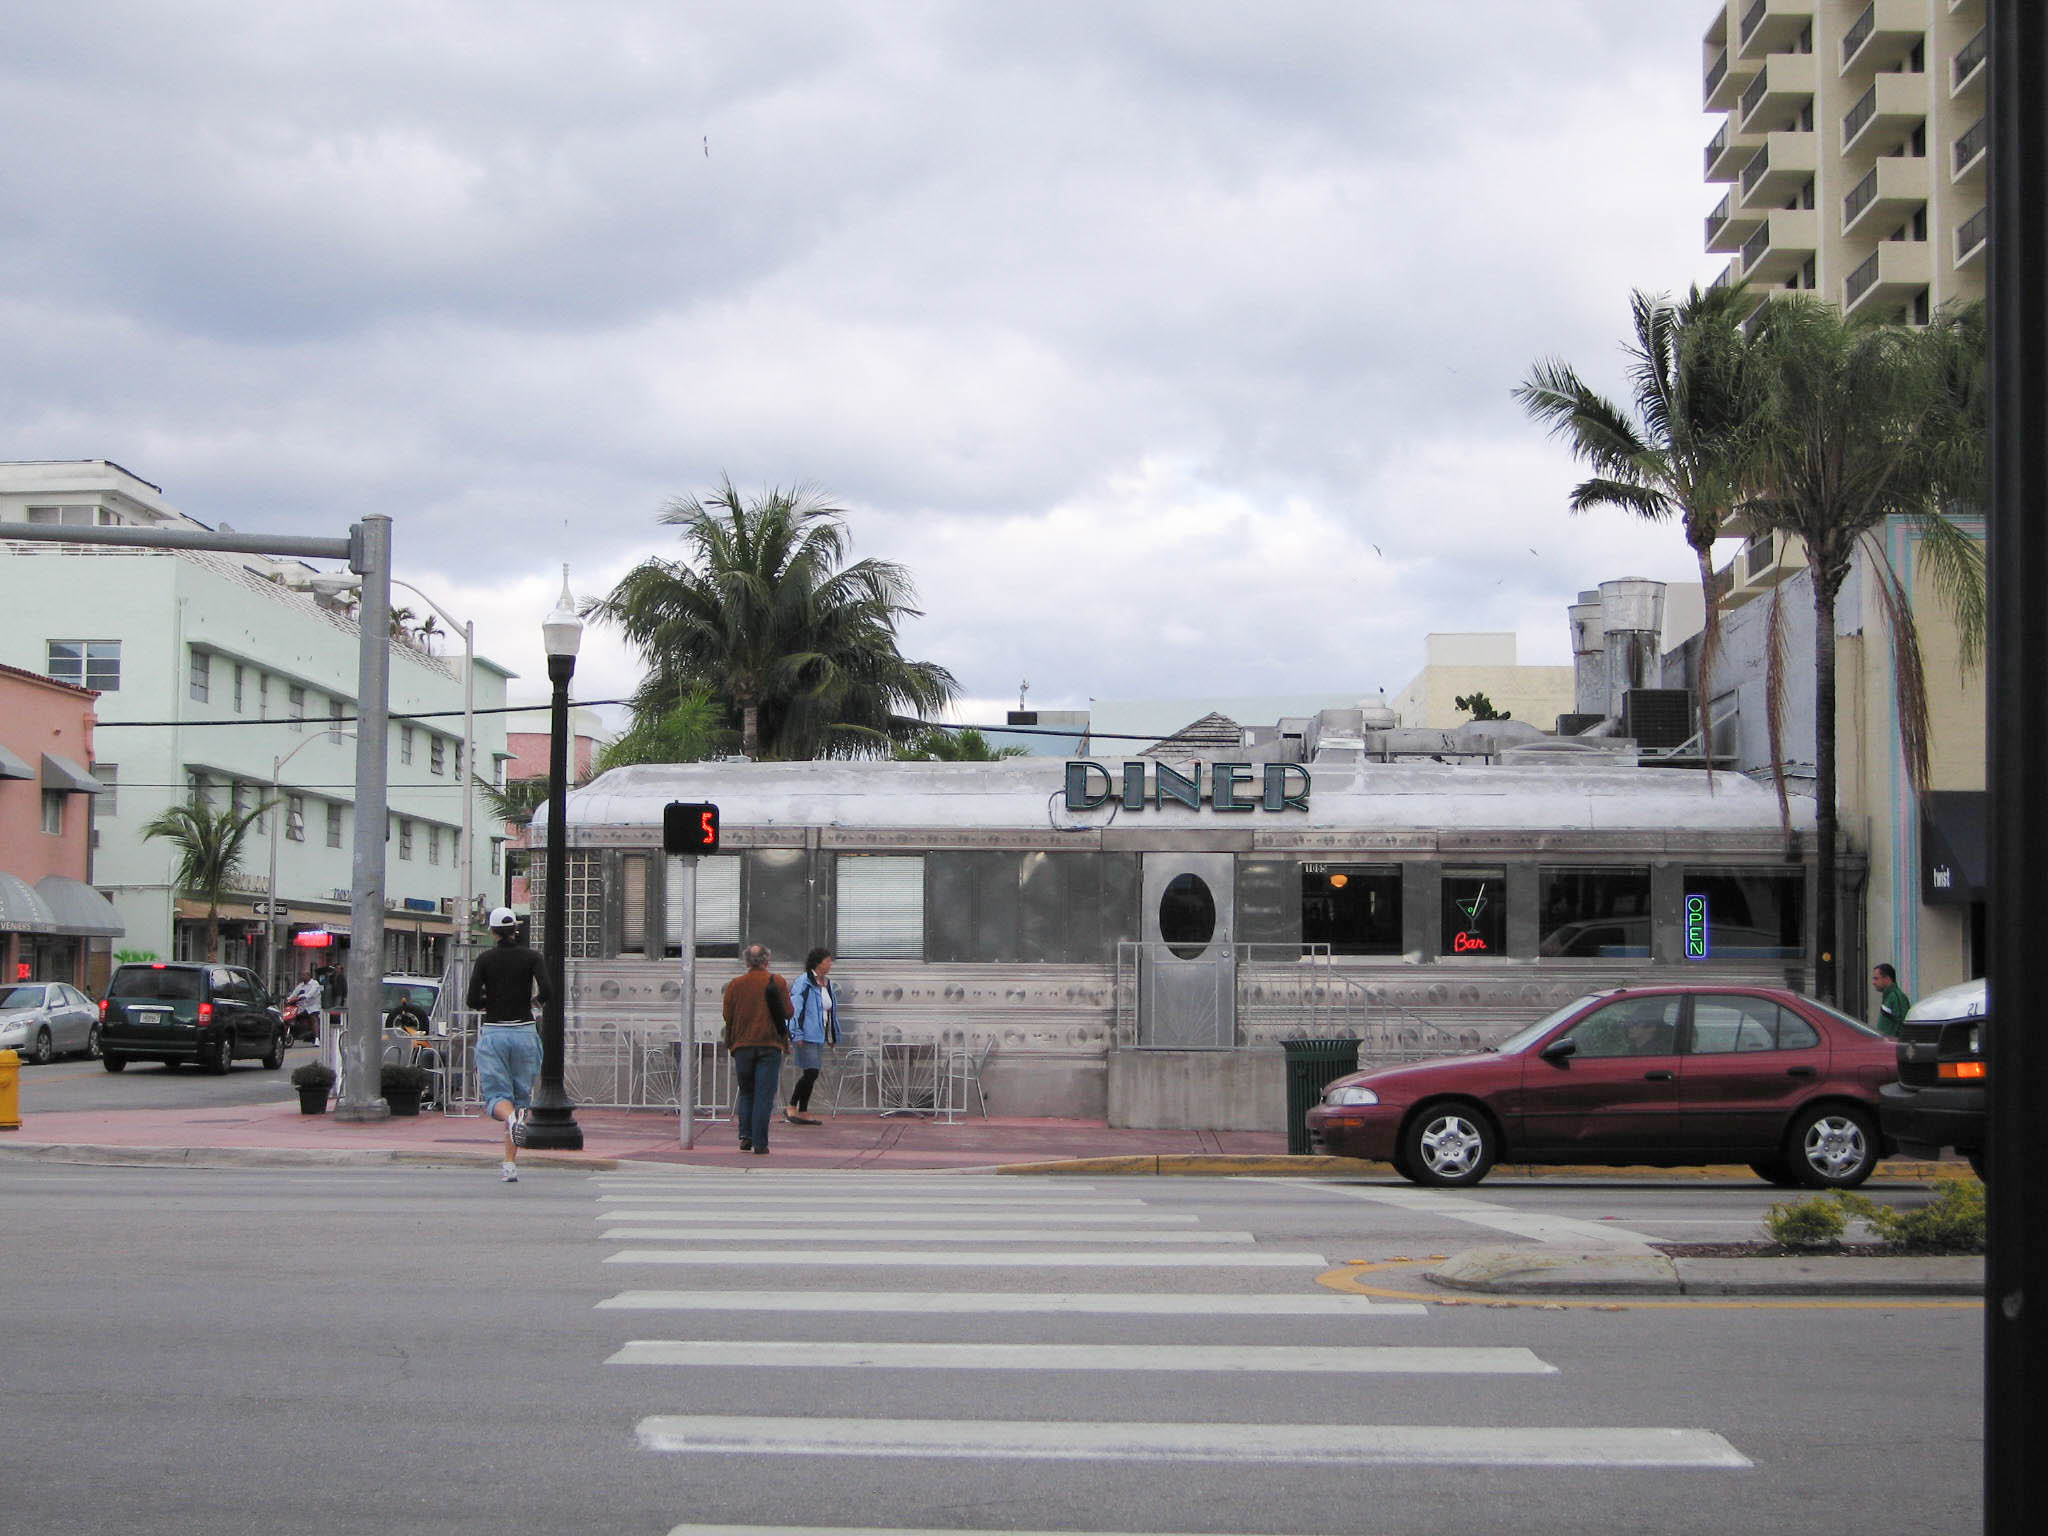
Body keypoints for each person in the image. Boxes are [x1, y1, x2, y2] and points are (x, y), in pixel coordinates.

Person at [466, 907, 550, 1182]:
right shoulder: (532, 957)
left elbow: (472, 1000)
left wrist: (492, 1002)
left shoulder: (485, 959)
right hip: (525, 1031)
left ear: (492, 932)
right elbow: (547, 991)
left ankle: (511, 1125)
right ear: (516, 929)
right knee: (520, 1097)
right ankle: (509, 1165)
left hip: (495, 1033)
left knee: (498, 1097)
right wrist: (532, 1002)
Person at [721, 942, 790, 1154]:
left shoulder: (735, 984)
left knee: (747, 1092)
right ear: (767, 961)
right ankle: (760, 1143)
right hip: (769, 1044)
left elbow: (727, 1015)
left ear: (746, 962)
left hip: (742, 1045)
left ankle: (745, 1136)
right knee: (764, 1095)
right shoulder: (776, 981)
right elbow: (788, 1012)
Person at [783, 948, 837, 1126]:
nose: (830, 964)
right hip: (806, 1034)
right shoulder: (804, 982)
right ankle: (792, 1105)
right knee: (811, 1071)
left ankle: (803, 1109)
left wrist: (832, 1034)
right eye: (827, 961)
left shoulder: (826, 983)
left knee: (811, 1072)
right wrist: (796, 1032)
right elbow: (796, 1007)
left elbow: (830, 1011)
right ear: (818, 962)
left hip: (819, 1034)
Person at [1872, 963, 1912, 1038]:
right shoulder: (1889, 996)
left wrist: (1891, 1044)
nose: (1873, 983)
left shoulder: (1896, 997)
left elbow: (1902, 1024)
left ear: (1887, 979)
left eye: (1876, 978)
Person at [315, 959, 347, 1046]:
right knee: (332, 1008)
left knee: (337, 1007)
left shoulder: (341, 977)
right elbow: (327, 984)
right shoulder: (332, 976)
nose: (337, 970)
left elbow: (344, 987)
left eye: (339, 968)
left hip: (339, 994)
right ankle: (332, 1020)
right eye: (336, 968)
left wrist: (344, 996)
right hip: (333, 995)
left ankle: (337, 1021)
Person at [285, 973, 323, 1042]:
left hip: (313, 1006)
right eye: (302, 975)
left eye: (304, 975)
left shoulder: (314, 984)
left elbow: (312, 993)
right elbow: (294, 994)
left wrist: (305, 996)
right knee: (290, 1016)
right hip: (301, 1007)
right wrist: (289, 999)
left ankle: (316, 1038)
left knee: (313, 1017)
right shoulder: (300, 985)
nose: (302, 976)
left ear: (308, 976)